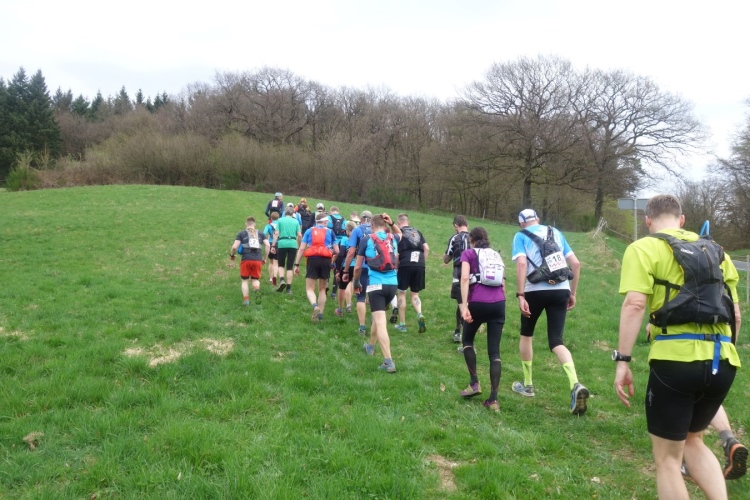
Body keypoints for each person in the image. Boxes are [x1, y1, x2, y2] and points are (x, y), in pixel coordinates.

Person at [614, 194, 742, 499]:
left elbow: (635, 304)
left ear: (647, 220)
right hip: (723, 360)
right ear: (682, 220)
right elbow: (735, 314)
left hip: (675, 361)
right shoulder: (718, 252)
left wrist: (623, 361)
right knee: (694, 440)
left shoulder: (643, 247)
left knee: (668, 460)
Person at [511, 208, 588, 415]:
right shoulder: (556, 233)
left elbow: (521, 264)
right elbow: (576, 264)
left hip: (534, 291)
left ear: (521, 223)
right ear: (538, 219)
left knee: (526, 334)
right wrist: (573, 293)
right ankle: (575, 384)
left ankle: (528, 385)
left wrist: (520, 295)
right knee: (556, 341)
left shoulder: (520, 235)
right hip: (561, 290)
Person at [458, 227, 506, 412]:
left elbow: (464, 278)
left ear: (471, 240)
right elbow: (503, 283)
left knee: (467, 341)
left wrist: (465, 306)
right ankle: (493, 400)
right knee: (494, 352)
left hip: (477, 302)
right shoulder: (496, 255)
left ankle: (474, 383)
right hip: (498, 303)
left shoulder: (469, 253)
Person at [354, 214, 401, 373]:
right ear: (385, 225)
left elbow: (358, 267)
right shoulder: (393, 238)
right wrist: (392, 223)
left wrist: (356, 282)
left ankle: (388, 361)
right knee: (377, 315)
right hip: (392, 285)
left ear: (372, 226)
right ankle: (370, 345)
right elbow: (400, 233)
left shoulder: (366, 239)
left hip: (376, 285)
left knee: (380, 321)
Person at [294, 212, 339, 323]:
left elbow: (301, 249)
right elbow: (337, 251)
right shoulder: (331, 232)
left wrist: (297, 264)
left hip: (312, 259)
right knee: (322, 289)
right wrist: (331, 256)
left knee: (310, 288)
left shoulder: (309, 231)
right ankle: (320, 315)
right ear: (325, 222)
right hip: (326, 260)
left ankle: (315, 306)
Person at [394, 213, 429, 333]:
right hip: (419, 264)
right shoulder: (417, 232)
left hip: (405, 264)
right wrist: (422, 261)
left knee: (401, 293)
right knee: (415, 294)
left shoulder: (398, 233)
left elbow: (396, 253)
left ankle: (402, 325)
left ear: (399, 222)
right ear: (407, 221)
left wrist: (396, 267)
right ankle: (420, 314)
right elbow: (427, 248)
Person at [344, 210, 374, 335]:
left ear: (361, 219)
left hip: (362, 266)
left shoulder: (357, 230)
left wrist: (346, 269)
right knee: (374, 297)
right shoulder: (378, 230)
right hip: (377, 268)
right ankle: (375, 323)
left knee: (361, 297)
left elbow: (351, 252)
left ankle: (362, 327)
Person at [229, 216, 269, 305]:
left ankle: (246, 300)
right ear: (255, 224)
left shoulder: (242, 233)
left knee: (245, 280)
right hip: (257, 260)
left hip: (246, 259)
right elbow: (268, 245)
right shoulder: (261, 234)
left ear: (246, 224)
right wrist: (265, 258)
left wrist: (232, 255)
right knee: (255, 279)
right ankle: (256, 290)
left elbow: (234, 247)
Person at [444, 215, 470, 343]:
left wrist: (449, 256)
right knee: (463, 303)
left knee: (462, 304)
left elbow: (446, 259)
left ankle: (467, 339)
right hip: (473, 275)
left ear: (456, 226)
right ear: (467, 225)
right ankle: (457, 331)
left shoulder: (454, 238)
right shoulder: (474, 237)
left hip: (459, 274)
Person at [274, 206, 302, 294]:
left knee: (281, 264)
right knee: (290, 266)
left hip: (282, 243)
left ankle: (282, 280)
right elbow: (299, 235)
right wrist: (299, 245)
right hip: (293, 244)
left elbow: (276, 233)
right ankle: (289, 289)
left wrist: (273, 245)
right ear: (293, 214)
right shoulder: (296, 221)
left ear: (285, 213)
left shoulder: (280, 220)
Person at [333, 221, 356, 316]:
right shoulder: (359, 240)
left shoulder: (345, 239)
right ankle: (349, 303)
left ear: (347, 230)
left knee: (342, 286)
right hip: (356, 265)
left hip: (346, 265)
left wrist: (338, 269)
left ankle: (340, 310)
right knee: (351, 283)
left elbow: (341, 254)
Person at [327, 206, 348, 299]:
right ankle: (334, 292)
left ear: (331, 211)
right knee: (337, 268)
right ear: (338, 211)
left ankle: (326, 283)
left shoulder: (328, 218)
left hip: (331, 244)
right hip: (342, 244)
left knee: (328, 264)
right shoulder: (344, 220)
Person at [263, 212, 280, 286]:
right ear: (278, 218)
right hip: (279, 244)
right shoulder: (280, 225)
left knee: (271, 262)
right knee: (276, 262)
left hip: (271, 243)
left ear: (271, 218)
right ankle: (275, 276)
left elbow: (264, 233)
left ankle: (270, 278)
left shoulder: (268, 226)